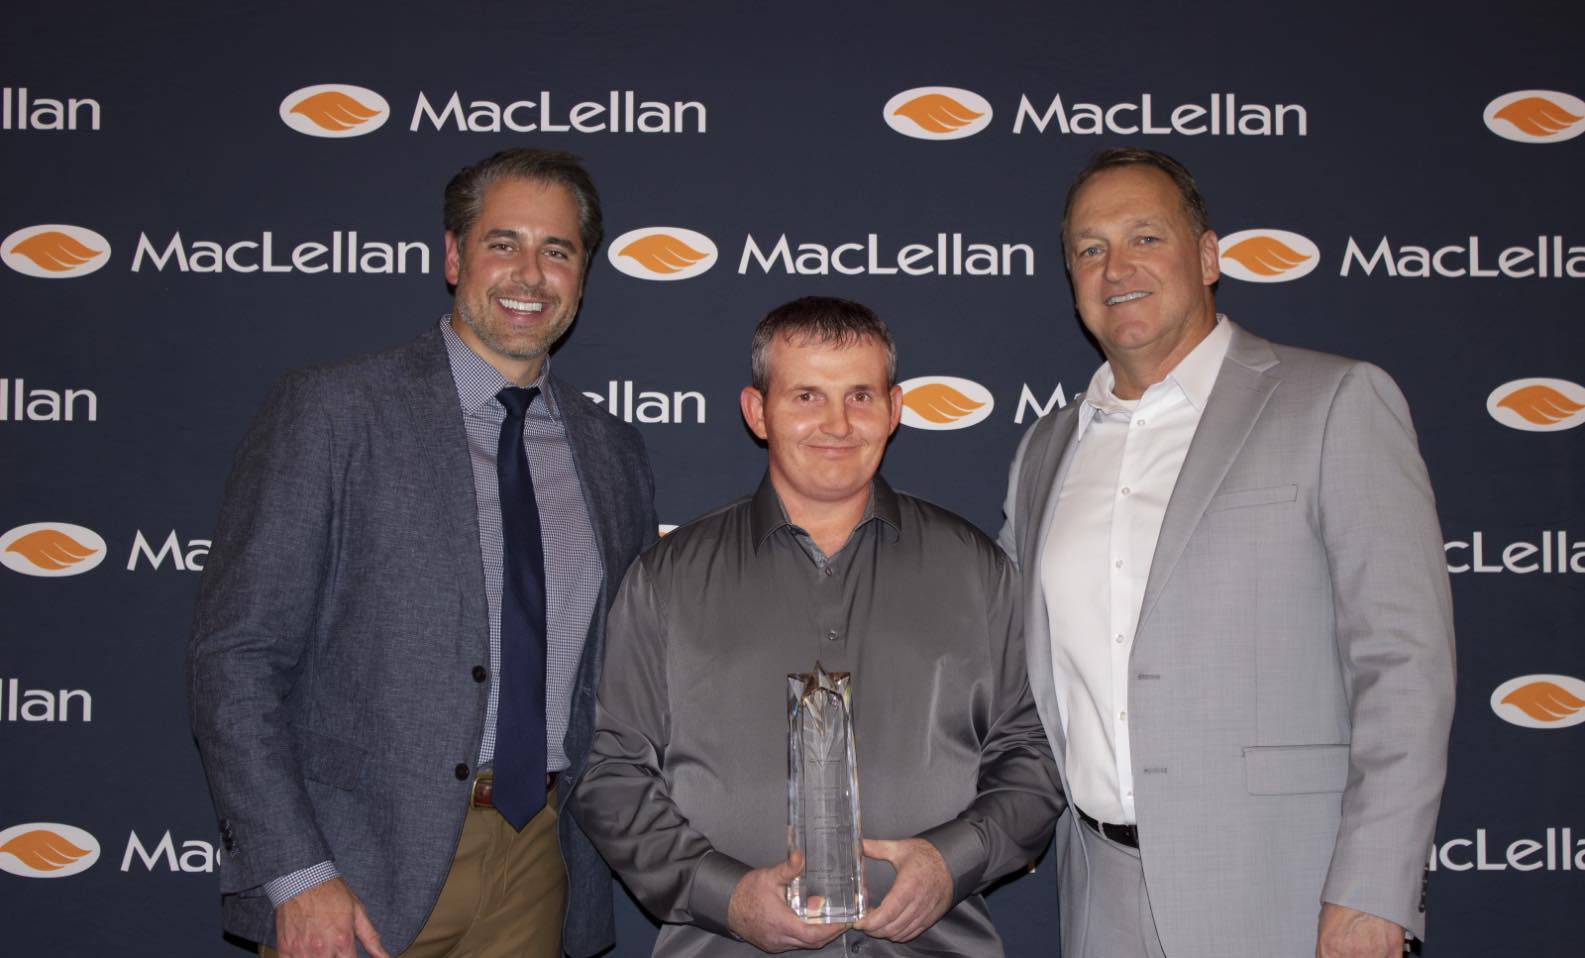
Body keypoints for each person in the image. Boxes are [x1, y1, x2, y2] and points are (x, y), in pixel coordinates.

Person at [186, 148, 656, 958]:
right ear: (452, 255)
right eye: (502, 243)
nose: (530, 274)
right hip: (360, 875)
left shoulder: (608, 450)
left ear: (583, 273)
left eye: (558, 251)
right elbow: (236, 658)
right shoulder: (334, 411)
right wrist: (297, 875)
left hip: (538, 861)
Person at [998, 147, 1456, 958]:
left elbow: (1403, 664)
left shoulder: (1334, 402)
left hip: (1292, 895)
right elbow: (1015, 676)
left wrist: (1373, 889)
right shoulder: (1046, 449)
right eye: (1089, 248)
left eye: (1145, 237)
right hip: (1099, 899)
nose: (1116, 268)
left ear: (1207, 256)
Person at [572, 296, 1059, 956]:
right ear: (757, 411)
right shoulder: (667, 580)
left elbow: (1032, 755)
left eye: (859, 396)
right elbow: (611, 771)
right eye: (805, 395)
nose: (836, 423)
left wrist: (952, 863)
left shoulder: (977, 572)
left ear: (894, 409)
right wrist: (727, 897)